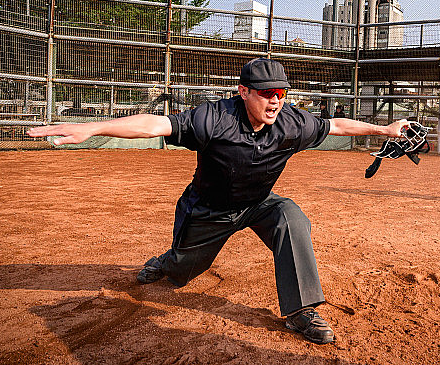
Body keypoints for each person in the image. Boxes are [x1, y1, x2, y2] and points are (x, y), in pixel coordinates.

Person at [27, 58, 411, 345]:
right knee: (181, 274)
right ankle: (168, 260)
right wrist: (93, 127)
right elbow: (156, 124)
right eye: (266, 93)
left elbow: (337, 126)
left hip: (258, 203)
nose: (275, 101)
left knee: (290, 216)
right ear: (243, 91)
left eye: (281, 93)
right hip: (208, 210)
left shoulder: (292, 122)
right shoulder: (214, 118)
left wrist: (385, 128)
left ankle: (299, 311)